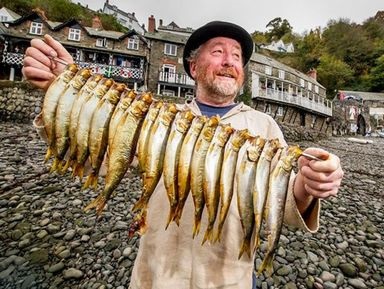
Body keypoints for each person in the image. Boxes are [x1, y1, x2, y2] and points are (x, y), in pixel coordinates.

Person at [22, 21, 344, 289]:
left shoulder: (265, 127)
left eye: (236, 56)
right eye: (218, 52)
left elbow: (285, 206)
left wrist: (309, 184)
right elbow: (102, 157)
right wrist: (62, 92)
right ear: (193, 66)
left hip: (227, 280)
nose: (230, 61)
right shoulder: (157, 118)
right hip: (155, 276)